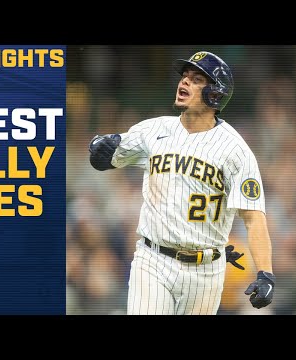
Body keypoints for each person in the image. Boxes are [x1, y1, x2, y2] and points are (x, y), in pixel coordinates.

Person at [88, 51, 275, 315]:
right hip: (152, 259)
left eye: (196, 79)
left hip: (206, 269)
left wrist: (265, 273)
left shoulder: (236, 151)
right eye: (184, 77)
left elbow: (254, 218)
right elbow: (105, 155)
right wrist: (100, 147)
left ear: (215, 93)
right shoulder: (153, 130)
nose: (184, 82)